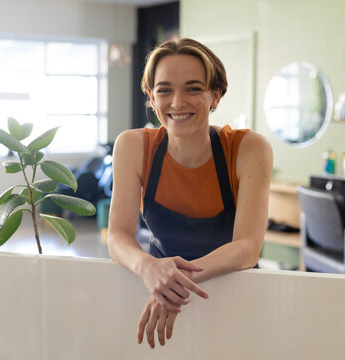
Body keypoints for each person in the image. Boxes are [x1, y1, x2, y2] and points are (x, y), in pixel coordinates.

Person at [107, 38, 273, 349]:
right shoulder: (132, 146)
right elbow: (117, 236)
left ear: (215, 95)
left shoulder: (248, 148)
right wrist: (149, 268)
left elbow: (248, 248)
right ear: (151, 98)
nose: (177, 102)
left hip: (233, 292)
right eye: (165, 90)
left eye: (194, 88)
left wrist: (173, 284)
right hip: (154, 290)